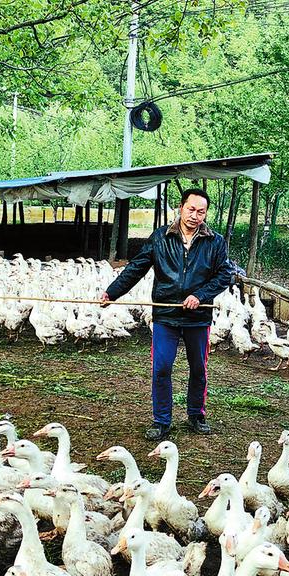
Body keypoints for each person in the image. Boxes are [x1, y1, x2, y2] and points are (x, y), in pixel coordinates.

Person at [101, 188, 231, 441]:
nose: (195, 216)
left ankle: (196, 415)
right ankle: (161, 420)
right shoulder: (160, 237)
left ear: (206, 214)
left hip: (198, 317)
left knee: (198, 368)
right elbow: (137, 267)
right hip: (165, 315)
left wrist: (200, 296)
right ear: (181, 208)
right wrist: (112, 292)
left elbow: (224, 274)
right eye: (191, 209)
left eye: (201, 212)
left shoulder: (215, 241)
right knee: (161, 368)